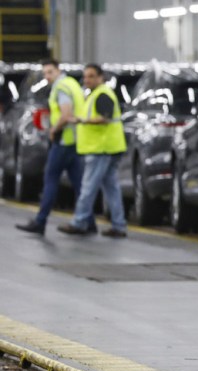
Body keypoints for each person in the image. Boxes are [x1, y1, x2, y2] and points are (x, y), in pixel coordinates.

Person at [15, 60, 96, 235]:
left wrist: (53, 129)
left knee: (50, 179)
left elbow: (66, 114)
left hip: (63, 141)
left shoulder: (61, 88)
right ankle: (89, 221)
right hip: (75, 141)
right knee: (79, 184)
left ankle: (40, 221)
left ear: (58, 71)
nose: (47, 77)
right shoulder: (73, 84)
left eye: (50, 72)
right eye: (45, 73)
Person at [58, 64, 127, 238]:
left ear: (100, 77)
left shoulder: (102, 94)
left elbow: (104, 118)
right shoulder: (96, 94)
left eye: (91, 76)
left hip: (100, 150)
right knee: (111, 189)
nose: (87, 80)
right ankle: (119, 225)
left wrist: (82, 120)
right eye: (86, 76)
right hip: (108, 148)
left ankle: (79, 222)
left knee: (88, 188)